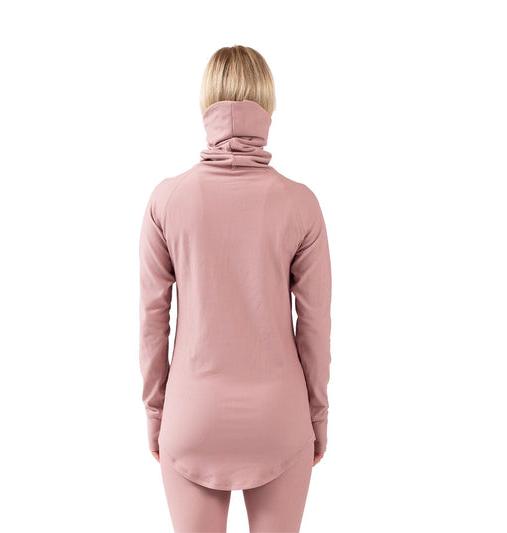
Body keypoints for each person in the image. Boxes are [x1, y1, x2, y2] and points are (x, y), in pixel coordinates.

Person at [139, 44, 332, 532]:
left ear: (205, 102)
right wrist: (317, 417)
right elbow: (314, 325)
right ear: (269, 103)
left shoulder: (167, 200)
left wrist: (156, 415)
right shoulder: (301, 203)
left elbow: (152, 320)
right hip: (279, 419)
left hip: (192, 416)